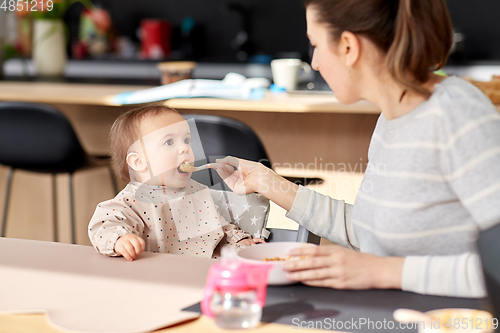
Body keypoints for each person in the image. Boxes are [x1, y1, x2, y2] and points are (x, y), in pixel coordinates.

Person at [215, 0, 500, 298]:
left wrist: (381, 271)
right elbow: (371, 233)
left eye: (315, 44)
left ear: (349, 47)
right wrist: (267, 182)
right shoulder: (392, 118)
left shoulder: (458, 115)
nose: (314, 63)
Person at [88, 105, 264, 261]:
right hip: (162, 274)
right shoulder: (132, 201)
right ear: (138, 162)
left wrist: (238, 239)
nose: (185, 148)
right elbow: (103, 225)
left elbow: (219, 226)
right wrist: (119, 240)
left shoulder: (196, 190)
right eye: (169, 142)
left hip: (209, 265)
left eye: (187, 140)